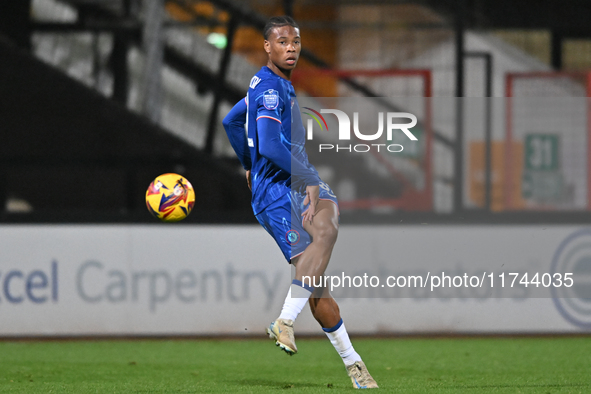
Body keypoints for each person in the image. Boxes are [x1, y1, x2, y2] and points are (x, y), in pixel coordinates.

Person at [222, 16, 378, 389]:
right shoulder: (273, 90)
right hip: (276, 194)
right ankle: (334, 352)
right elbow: (272, 145)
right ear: (267, 47)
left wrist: (247, 164)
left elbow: (231, 121)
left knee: (320, 256)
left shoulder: (266, 84)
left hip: (293, 182)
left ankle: (323, 345)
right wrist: (270, 172)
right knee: (316, 278)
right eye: (281, 42)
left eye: (295, 42)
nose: (290, 48)